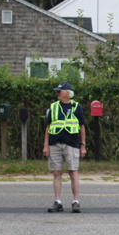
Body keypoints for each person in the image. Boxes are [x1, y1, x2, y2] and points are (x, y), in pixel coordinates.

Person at [42, 81, 86, 213]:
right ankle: (58, 202)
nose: (57, 93)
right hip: (55, 143)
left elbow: (82, 126)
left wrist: (83, 145)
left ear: (67, 93)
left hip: (72, 143)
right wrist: (46, 145)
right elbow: (48, 127)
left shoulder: (76, 106)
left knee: (73, 172)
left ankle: (75, 201)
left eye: (59, 91)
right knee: (57, 172)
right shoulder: (54, 107)